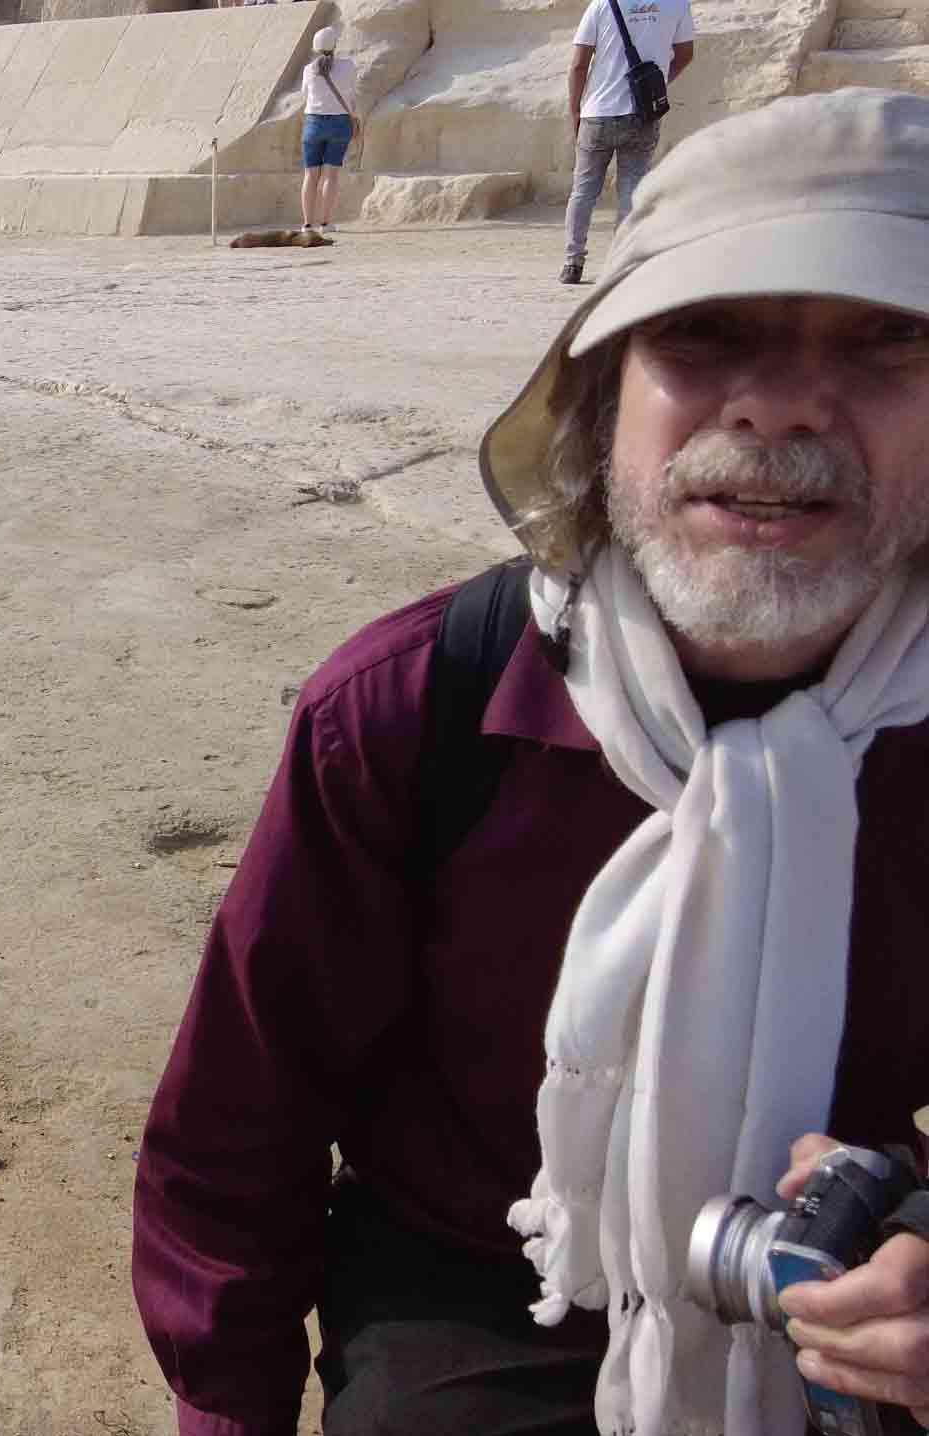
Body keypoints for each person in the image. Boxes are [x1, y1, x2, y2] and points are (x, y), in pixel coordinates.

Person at [131, 89, 929, 1436]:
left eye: (885, 344)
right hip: (486, 1291)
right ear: (600, 400)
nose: (784, 403)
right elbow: (235, 1135)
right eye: (703, 334)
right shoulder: (408, 709)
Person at [561, 0, 694, 285]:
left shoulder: (601, 5)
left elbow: (578, 65)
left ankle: (573, 263)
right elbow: (685, 54)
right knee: (631, 190)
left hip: (598, 113)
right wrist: (654, 85)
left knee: (583, 192)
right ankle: (621, 264)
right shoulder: (676, 4)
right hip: (642, 113)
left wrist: (574, 110)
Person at [296, 27, 358, 238]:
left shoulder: (308, 69)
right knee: (331, 175)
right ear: (334, 45)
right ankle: (326, 222)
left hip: (313, 122)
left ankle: (306, 224)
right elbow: (351, 90)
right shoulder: (348, 66)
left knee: (311, 175)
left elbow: (305, 94)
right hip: (340, 122)